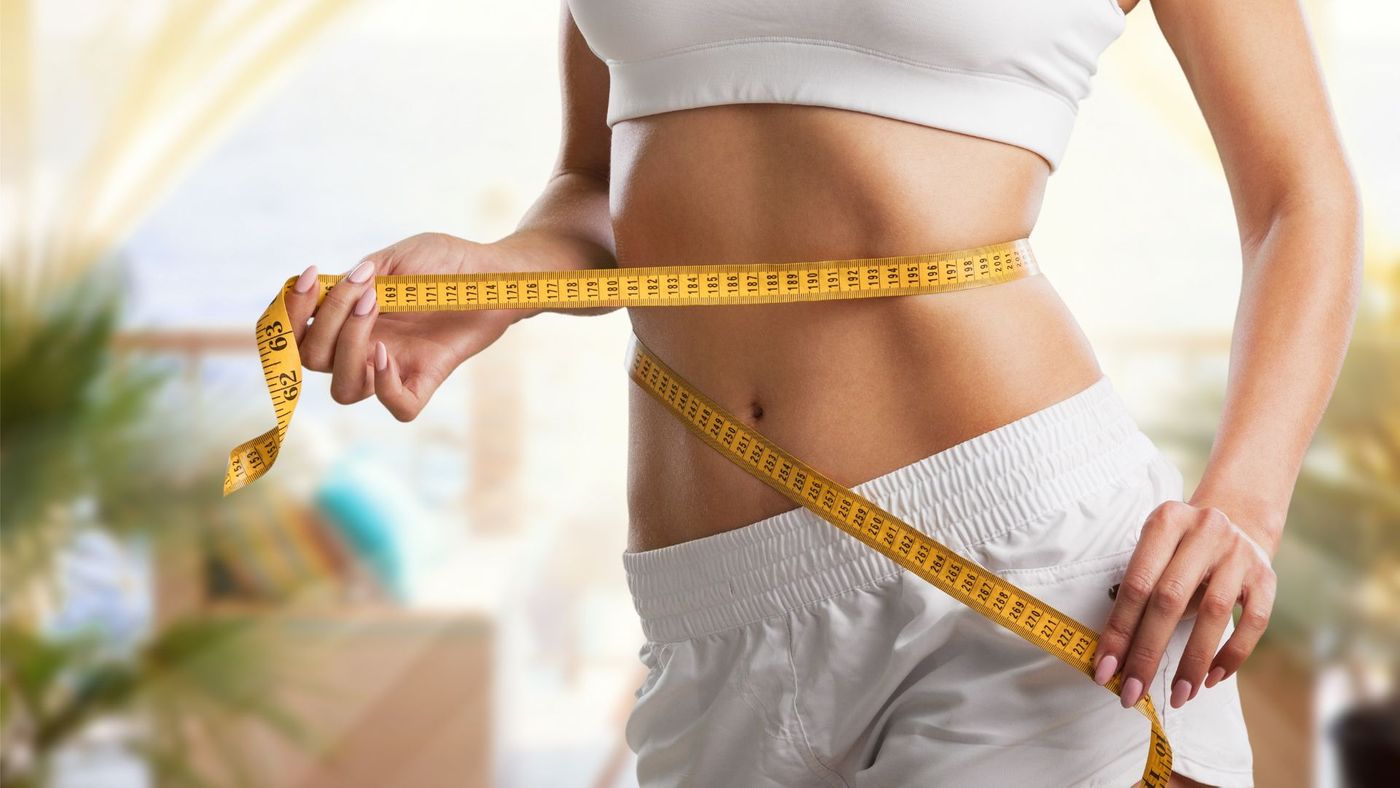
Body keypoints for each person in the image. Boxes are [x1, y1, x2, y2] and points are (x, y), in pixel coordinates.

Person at [280, 1, 1361, 785]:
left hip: (1017, 583)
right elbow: (598, 188)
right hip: (706, 614)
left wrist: (1245, 504)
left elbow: (1297, 196)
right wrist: (505, 277)